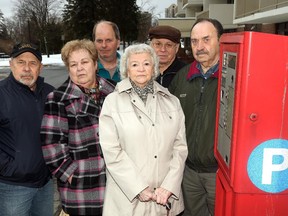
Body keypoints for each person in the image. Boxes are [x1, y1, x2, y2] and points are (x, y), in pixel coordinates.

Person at [99, 43, 188, 216]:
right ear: (126, 69)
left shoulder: (172, 101)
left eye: (146, 63)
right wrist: (138, 188)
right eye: (134, 64)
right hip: (127, 201)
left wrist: (168, 186)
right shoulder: (112, 102)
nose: (141, 69)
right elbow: (111, 152)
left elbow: (180, 148)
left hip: (165, 200)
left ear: (154, 67)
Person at [40, 39, 115, 216]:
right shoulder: (58, 98)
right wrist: (71, 173)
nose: (79, 68)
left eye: (84, 62)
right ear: (68, 69)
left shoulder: (114, 92)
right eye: (73, 64)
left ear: (95, 64)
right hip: (81, 187)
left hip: (115, 182)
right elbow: (51, 144)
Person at [169, 18, 224, 216]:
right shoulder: (182, 77)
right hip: (188, 172)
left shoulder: (234, 77)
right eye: (194, 41)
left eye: (206, 39)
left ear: (221, 40)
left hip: (219, 175)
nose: (199, 47)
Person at [0, 42, 54, 215]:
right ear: (11, 64)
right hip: (12, 186)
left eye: (32, 63)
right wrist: (9, 168)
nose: (26, 68)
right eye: (21, 62)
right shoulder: (1, 94)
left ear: (41, 67)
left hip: (45, 184)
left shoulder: (50, 93)